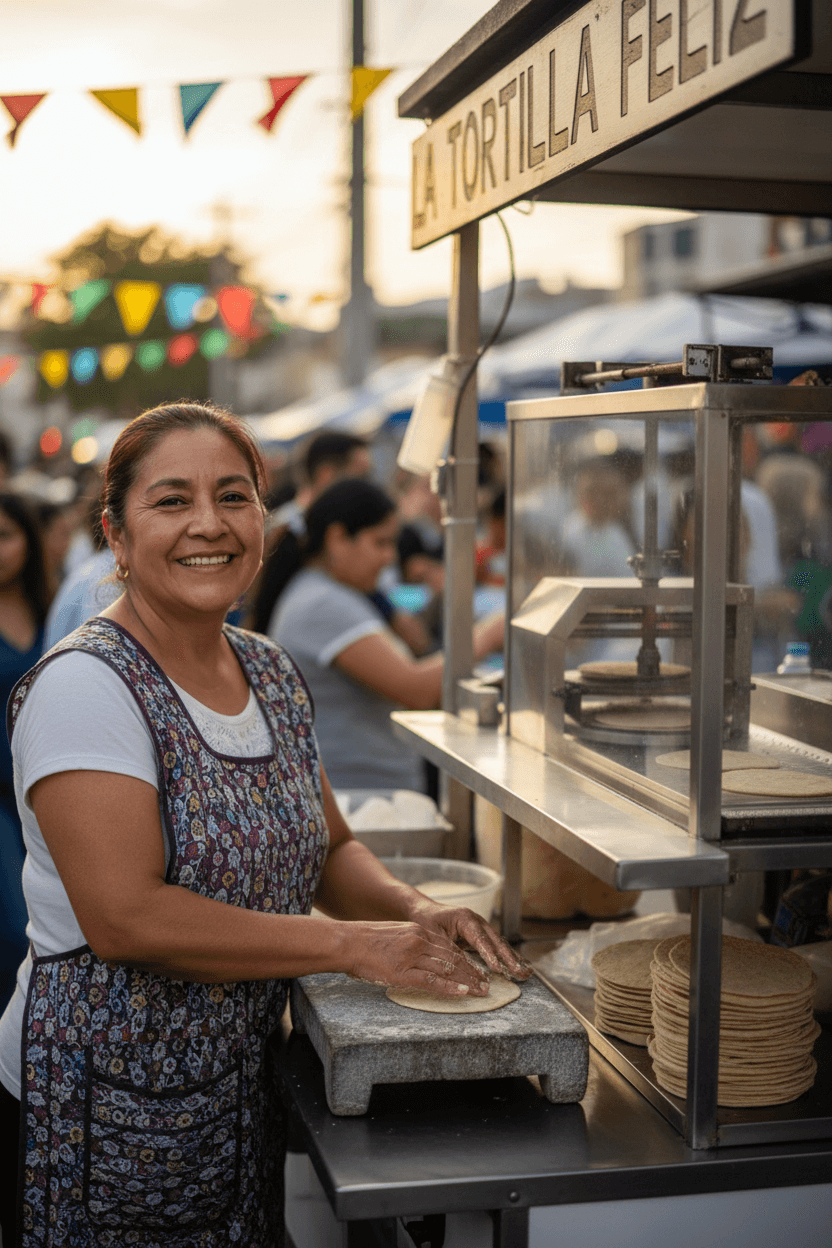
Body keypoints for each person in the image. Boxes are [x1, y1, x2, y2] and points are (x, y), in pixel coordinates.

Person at [0, 401, 527, 1248]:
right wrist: (359, 945)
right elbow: (125, 918)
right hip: (99, 1104)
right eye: (171, 501)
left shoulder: (269, 669)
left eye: (233, 496)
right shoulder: (85, 687)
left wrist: (412, 908)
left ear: (264, 518)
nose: (208, 524)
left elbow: (333, 848)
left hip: (233, 1085)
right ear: (117, 534)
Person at [267, 478, 504, 792]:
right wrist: (489, 634)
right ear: (337, 539)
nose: (390, 557)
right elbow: (417, 689)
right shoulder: (321, 605)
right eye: (380, 543)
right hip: (359, 798)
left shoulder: (330, 593)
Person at [0, 492, 52, 1015]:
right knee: (19, 934)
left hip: (51, 791)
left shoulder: (52, 605)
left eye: (5, 536)